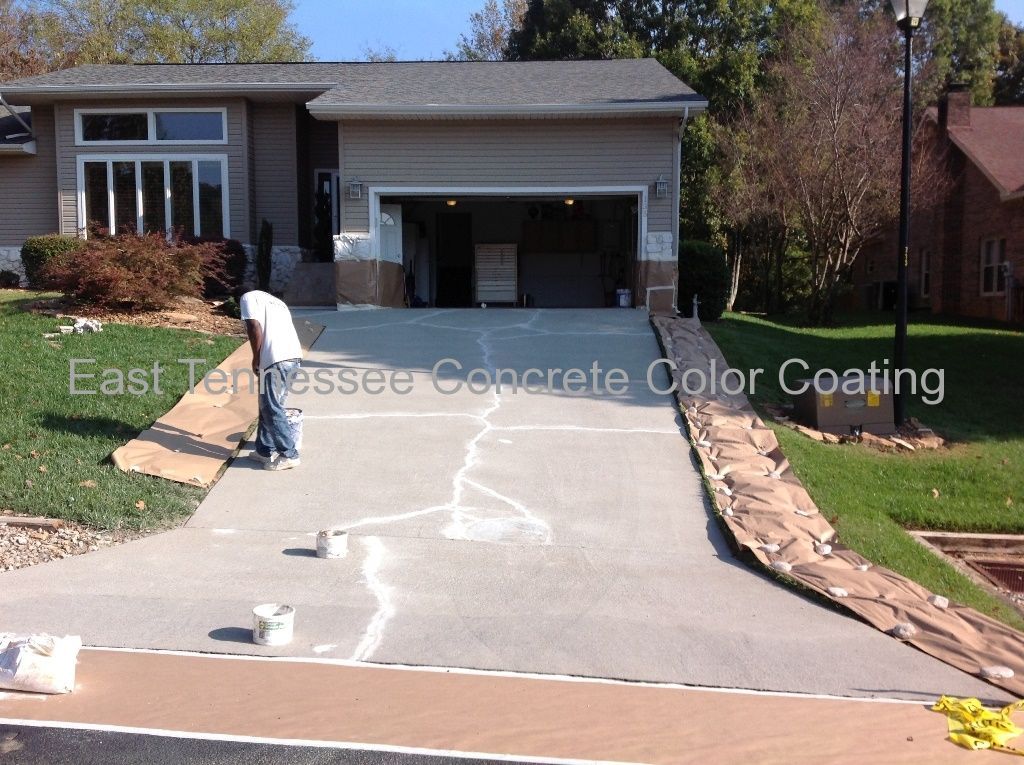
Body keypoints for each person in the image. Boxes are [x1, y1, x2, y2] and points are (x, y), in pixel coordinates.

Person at [240, 290, 303, 471]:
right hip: (293, 356)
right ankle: (263, 450)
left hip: (276, 359)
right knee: (268, 405)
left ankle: (289, 454)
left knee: (270, 407)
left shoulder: (248, 298)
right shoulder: (277, 303)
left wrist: (256, 357)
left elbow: (254, 326)